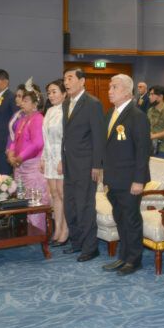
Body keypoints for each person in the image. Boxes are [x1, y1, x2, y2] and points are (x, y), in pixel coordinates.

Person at [102, 74, 150, 276]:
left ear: (127, 91)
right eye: (110, 87)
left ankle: (134, 260)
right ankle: (123, 256)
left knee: (131, 220)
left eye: (115, 87)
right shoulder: (110, 114)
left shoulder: (137, 115)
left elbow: (143, 150)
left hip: (130, 180)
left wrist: (139, 180)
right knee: (120, 219)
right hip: (113, 179)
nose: (110, 91)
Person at [61, 68, 106, 261]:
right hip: (69, 163)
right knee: (70, 205)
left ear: (82, 81)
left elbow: (98, 136)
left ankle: (90, 248)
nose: (66, 82)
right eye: (65, 79)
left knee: (85, 206)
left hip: (86, 165)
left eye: (70, 78)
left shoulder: (92, 104)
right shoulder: (66, 103)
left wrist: (97, 165)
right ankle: (77, 242)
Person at [6, 83, 48, 232]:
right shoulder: (23, 119)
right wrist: (11, 154)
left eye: (26, 101)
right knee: (23, 199)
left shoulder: (38, 119)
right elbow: (14, 140)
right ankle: (26, 230)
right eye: (22, 100)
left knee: (35, 201)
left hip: (32, 167)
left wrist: (20, 157)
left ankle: (37, 232)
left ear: (35, 104)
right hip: (20, 166)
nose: (22, 103)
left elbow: (37, 143)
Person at [41, 79, 67, 247]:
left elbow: (68, 138)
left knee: (63, 194)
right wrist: (43, 158)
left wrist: (63, 160)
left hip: (62, 156)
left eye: (54, 92)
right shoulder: (49, 111)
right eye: (49, 92)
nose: (50, 95)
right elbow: (45, 138)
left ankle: (66, 230)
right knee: (54, 194)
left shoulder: (67, 110)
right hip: (50, 156)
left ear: (64, 93)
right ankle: (57, 229)